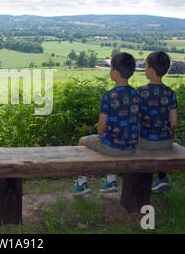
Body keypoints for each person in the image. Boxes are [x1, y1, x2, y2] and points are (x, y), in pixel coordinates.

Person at [73, 52, 140, 195]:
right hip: (132, 146)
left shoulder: (109, 96)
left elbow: (101, 128)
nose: (110, 71)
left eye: (110, 69)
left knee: (83, 140)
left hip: (114, 147)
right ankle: (110, 179)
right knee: (113, 138)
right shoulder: (137, 94)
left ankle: (82, 183)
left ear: (115, 72)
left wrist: (101, 132)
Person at [137, 51, 178, 193]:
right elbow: (174, 121)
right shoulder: (170, 93)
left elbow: (134, 120)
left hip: (145, 141)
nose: (145, 69)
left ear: (152, 70)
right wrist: (161, 129)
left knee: (139, 144)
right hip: (167, 140)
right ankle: (161, 178)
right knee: (160, 147)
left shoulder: (140, 92)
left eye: (146, 66)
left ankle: (142, 181)